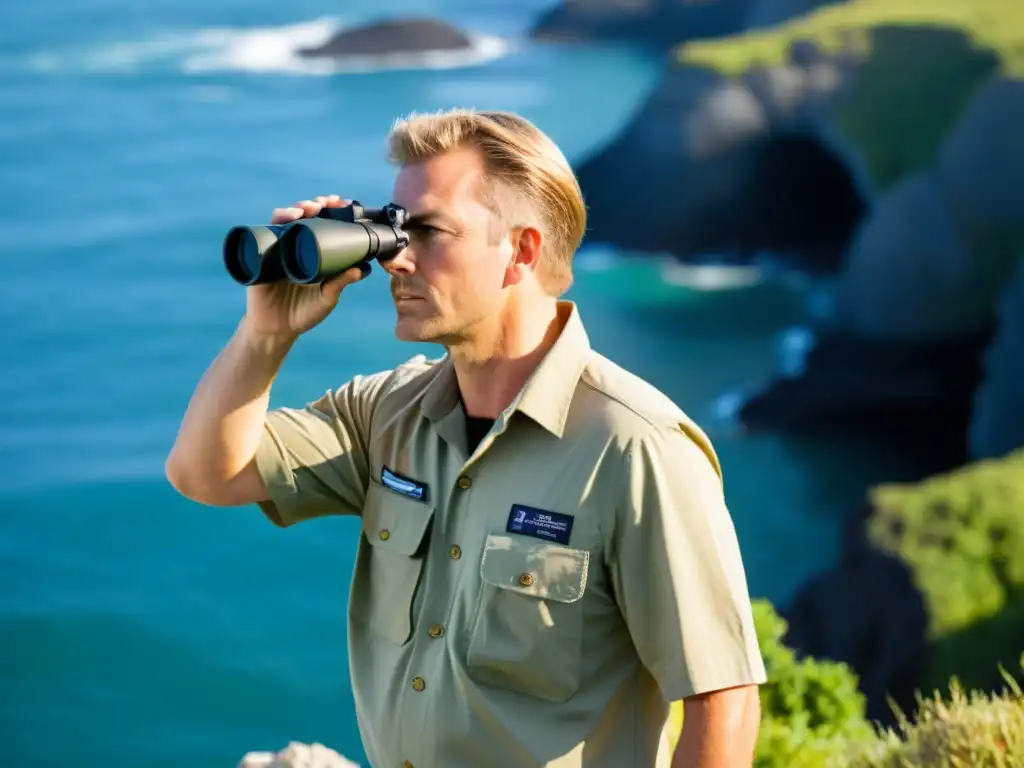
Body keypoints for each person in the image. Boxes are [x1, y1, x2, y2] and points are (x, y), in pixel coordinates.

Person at [165, 108, 767, 768]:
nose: (397, 260)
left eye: (429, 232)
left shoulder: (635, 447)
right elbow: (206, 473)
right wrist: (267, 332)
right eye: (392, 230)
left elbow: (722, 701)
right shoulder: (387, 412)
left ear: (522, 250)